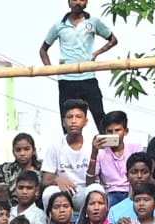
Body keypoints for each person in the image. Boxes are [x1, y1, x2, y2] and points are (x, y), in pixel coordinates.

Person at [39, 0, 116, 130]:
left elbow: (113, 40)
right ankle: (68, 143)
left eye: (81, 0)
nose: (77, 3)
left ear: (86, 2)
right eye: (74, 0)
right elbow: (43, 50)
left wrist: (97, 53)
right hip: (66, 80)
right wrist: (50, 68)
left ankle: (106, 143)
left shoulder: (93, 22)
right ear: (69, 3)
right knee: (68, 121)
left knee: (100, 117)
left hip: (88, 77)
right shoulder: (59, 25)